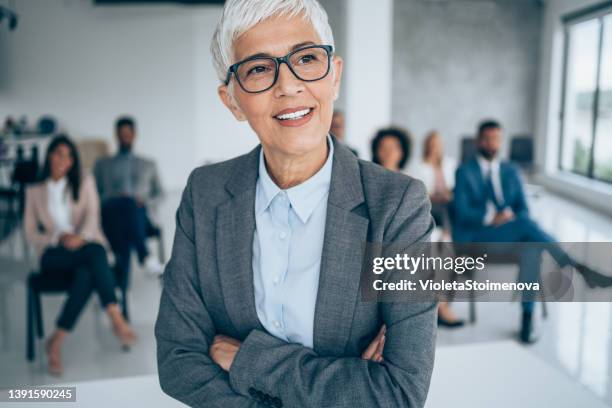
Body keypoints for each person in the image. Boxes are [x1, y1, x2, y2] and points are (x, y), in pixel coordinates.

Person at [155, 1, 437, 406]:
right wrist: (343, 385)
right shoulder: (205, 193)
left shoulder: (400, 207)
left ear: (334, 76)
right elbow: (178, 359)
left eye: (306, 58)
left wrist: (249, 359)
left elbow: (399, 392)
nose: (287, 85)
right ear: (232, 101)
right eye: (258, 68)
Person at [453, 120, 612, 343]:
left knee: (531, 247)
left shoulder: (511, 170)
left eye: (496, 139)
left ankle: (527, 318)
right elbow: (461, 212)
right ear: (479, 141)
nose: (492, 144)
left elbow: (524, 210)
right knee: (527, 228)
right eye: (487, 139)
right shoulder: (464, 171)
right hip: (478, 237)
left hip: (510, 233)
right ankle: (578, 268)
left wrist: (510, 221)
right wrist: (492, 218)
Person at [24, 135, 137, 376]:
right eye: (58, 153)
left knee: (87, 271)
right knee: (95, 255)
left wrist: (81, 237)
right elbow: (30, 233)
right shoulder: (34, 191)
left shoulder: (85, 181)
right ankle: (115, 316)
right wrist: (58, 238)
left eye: (69, 155)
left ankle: (56, 341)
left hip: (85, 247)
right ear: (49, 155)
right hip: (53, 255)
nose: (63, 160)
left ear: (74, 161)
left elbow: (93, 216)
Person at [93, 116, 164, 280]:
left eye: (128, 133)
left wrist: (145, 201)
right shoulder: (102, 164)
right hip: (110, 214)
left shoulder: (148, 164)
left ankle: (121, 291)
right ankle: (145, 257)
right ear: (116, 135)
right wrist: (113, 199)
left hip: (140, 217)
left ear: (134, 135)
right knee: (124, 206)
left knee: (129, 208)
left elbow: (160, 194)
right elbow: (93, 194)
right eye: (121, 133)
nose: (125, 137)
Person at [410, 130, 463, 328]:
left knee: (447, 250)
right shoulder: (418, 165)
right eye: (431, 143)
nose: (435, 147)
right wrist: (434, 195)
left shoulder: (450, 164)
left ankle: (443, 304)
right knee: (440, 249)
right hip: (430, 212)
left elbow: (459, 191)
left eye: (438, 143)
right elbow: (416, 194)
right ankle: (440, 306)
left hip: (449, 213)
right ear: (426, 145)